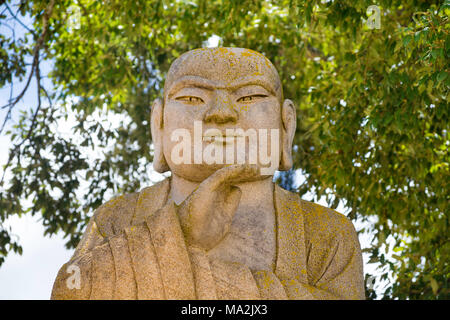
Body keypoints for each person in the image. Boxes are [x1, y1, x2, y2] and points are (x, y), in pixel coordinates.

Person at [51, 47, 365, 300]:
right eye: (192, 98)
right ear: (159, 125)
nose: (221, 112)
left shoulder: (326, 233)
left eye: (249, 97)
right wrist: (177, 232)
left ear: (286, 126)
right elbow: (71, 292)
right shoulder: (116, 219)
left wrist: (175, 257)